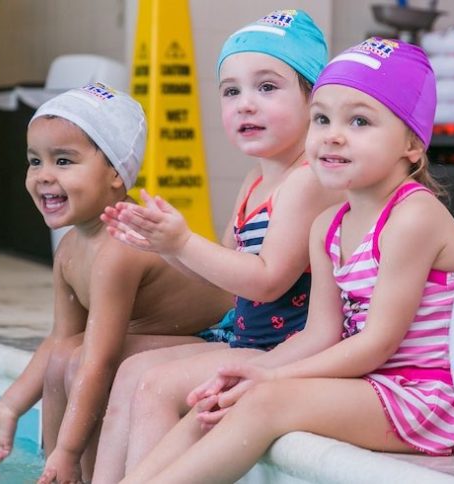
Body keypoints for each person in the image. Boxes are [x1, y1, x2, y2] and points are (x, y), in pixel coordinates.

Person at [122, 37, 454, 483]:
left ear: (411, 143)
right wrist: (255, 371)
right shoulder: (328, 225)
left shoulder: (413, 216)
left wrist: (273, 381)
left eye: (360, 121)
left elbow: (377, 344)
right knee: (221, 398)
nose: (333, 134)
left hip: (424, 397)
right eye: (322, 118)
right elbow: (320, 333)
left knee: (264, 402)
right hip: (368, 386)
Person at [93, 9, 340, 482]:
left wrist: (183, 242)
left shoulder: (307, 180)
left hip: (285, 349)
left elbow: (267, 281)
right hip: (248, 339)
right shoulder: (255, 179)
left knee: (158, 386)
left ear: (314, 99)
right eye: (231, 91)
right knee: (131, 372)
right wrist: (161, 245)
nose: (245, 103)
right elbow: (225, 272)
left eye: (266, 87)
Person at [0, 82, 233, 483]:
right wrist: (10, 405)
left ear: (115, 175)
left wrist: (71, 450)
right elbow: (59, 341)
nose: (44, 176)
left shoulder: (120, 246)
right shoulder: (70, 248)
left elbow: (98, 360)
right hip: (167, 341)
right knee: (63, 356)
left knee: (79, 360)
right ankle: (53, 472)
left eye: (64, 161)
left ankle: (74, 467)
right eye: (35, 161)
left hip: (218, 338)